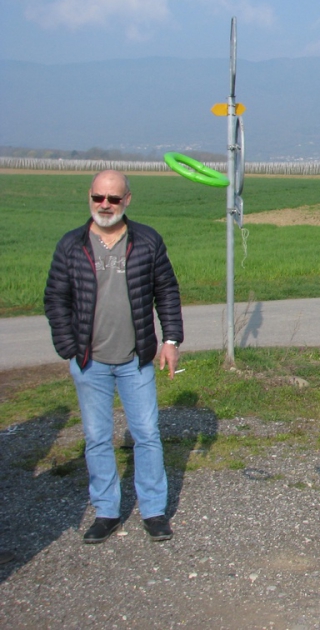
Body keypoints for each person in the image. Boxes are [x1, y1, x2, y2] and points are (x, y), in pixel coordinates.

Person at [44, 169, 183, 544]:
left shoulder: (147, 241)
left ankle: (154, 512)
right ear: (89, 196)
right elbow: (55, 299)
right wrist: (68, 347)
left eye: (114, 198)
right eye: (98, 198)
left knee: (147, 434)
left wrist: (171, 340)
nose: (105, 205)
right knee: (96, 438)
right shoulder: (71, 245)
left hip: (136, 360)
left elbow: (167, 291)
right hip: (89, 362)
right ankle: (106, 511)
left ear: (127, 200)